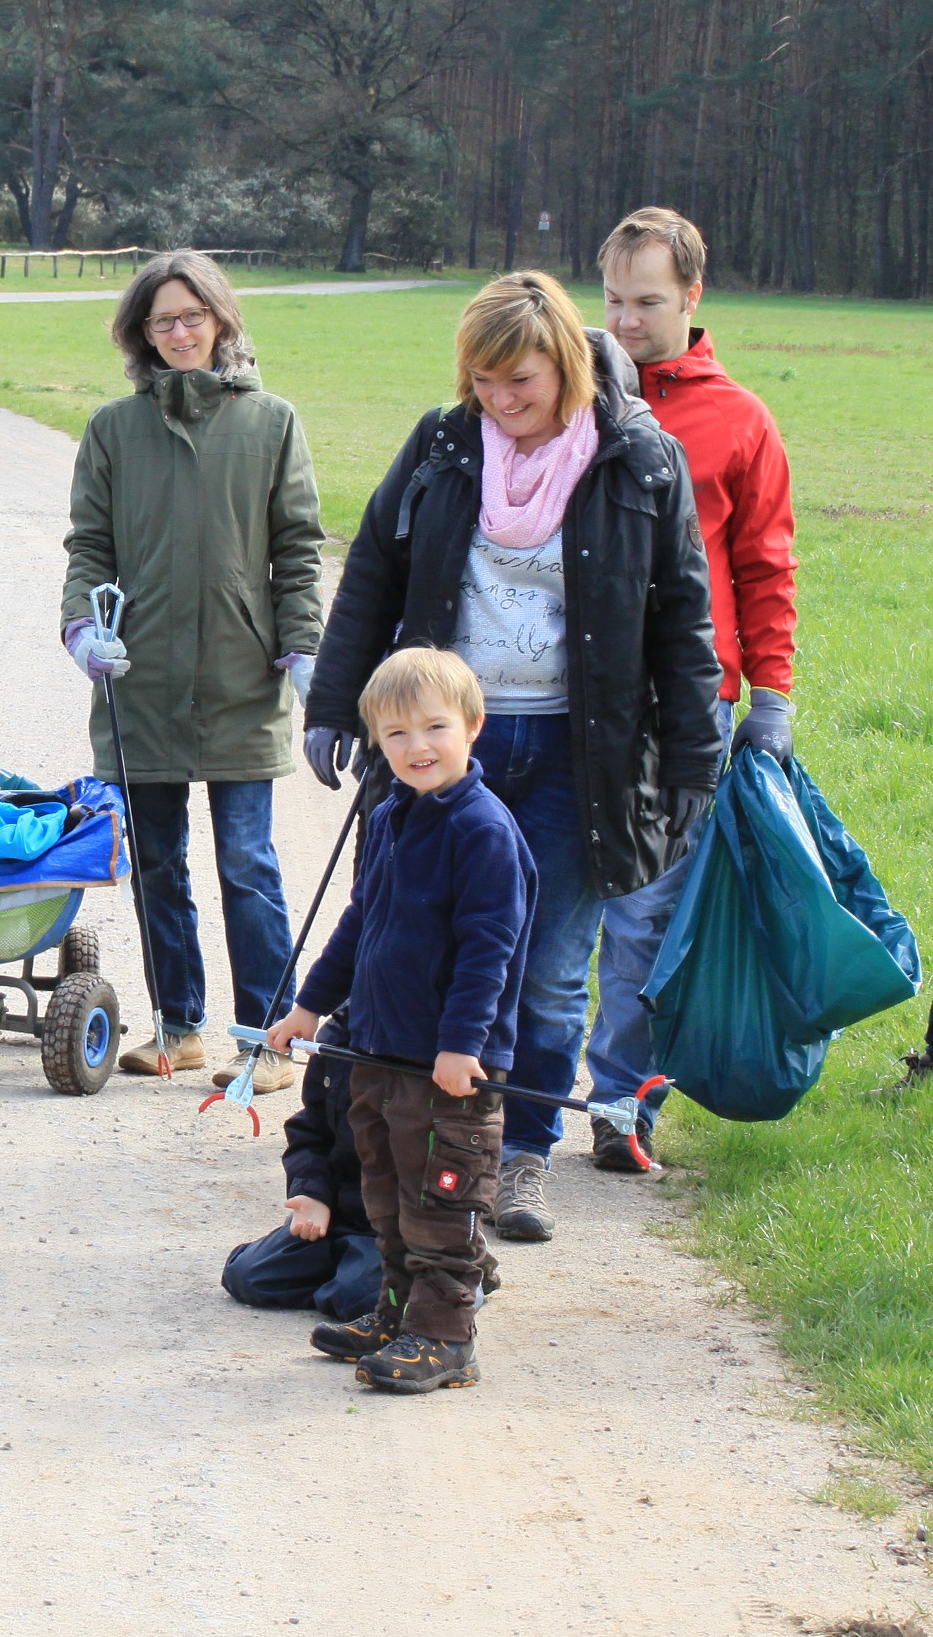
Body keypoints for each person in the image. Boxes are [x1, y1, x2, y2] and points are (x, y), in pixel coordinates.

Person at [304, 273, 722, 1244]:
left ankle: (513, 1155)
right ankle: (396, 1143)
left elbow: (681, 624)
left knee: (539, 970)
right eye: (483, 380)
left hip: (584, 757)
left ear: (565, 368)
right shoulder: (440, 447)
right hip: (446, 749)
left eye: (520, 382)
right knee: (411, 941)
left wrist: (693, 764)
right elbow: (371, 573)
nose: (499, 400)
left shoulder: (637, 461)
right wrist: (334, 707)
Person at [59, 250, 326, 1083]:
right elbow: (89, 547)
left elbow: (299, 548)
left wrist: (305, 643)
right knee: (158, 862)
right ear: (142, 333)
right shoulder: (112, 428)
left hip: (242, 683)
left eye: (192, 316)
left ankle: (267, 1040)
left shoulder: (273, 422)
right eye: (161, 320)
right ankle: (179, 1028)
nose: (179, 332)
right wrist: (81, 630)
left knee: (247, 862)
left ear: (221, 320)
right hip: (139, 685)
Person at [586, 207, 798, 1169]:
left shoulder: (740, 419)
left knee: (645, 915)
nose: (626, 321)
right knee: (543, 906)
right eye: (615, 300)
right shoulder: (567, 395)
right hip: (567, 690)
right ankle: (513, 1098)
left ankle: (620, 1108)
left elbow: (766, 566)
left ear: (694, 297)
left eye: (648, 302)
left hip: (687, 702)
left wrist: (773, 698)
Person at [268, 649, 534, 1393]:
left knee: (441, 1200)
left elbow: (491, 948)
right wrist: (309, 1005)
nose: (417, 747)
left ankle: (447, 1338)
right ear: (377, 744)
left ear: (473, 726)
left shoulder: (483, 832)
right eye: (396, 735)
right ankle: (395, 1314)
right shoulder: (390, 818)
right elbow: (361, 923)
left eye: (435, 728)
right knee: (387, 1195)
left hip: (448, 1067)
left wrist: (462, 1044)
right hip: (380, 1051)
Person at [219, 1014, 382, 1323]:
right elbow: (311, 1131)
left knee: (357, 1297)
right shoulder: (337, 1036)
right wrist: (312, 1194)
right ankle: (352, 1275)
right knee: (247, 1275)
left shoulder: (427, 1049)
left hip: (395, 1227)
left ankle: (452, 1279)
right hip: (336, 1216)